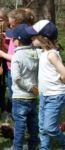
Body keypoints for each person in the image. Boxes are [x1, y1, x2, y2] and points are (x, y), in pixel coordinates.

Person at [25, 20, 65, 150]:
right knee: (42, 126)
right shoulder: (41, 52)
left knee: (50, 127)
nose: (32, 39)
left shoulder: (51, 54)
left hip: (55, 96)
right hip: (44, 95)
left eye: (35, 37)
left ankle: (63, 142)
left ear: (44, 38)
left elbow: (64, 72)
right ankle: (44, 148)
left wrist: (62, 79)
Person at [0, 8, 36, 121]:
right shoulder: (17, 35)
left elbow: (15, 56)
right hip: (10, 68)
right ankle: (13, 113)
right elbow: (13, 51)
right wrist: (4, 45)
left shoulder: (23, 38)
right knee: (14, 93)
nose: (11, 27)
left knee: (16, 94)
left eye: (12, 25)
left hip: (15, 69)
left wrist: (2, 54)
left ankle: (16, 115)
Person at [3, 24, 39, 150]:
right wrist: (34, 88)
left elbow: (16, 78)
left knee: (20, 125)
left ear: (17, 41)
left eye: (13, 38)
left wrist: (29, 87)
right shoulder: (35, 53)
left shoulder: (17, 55)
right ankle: (33, 145)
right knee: (33, 123)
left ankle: (17, 147)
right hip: (32, 97)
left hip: (20, 96)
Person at [0, 7, 12, 121]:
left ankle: (8, 110)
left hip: (9, 61)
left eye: (1, 20)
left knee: (12, 87)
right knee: (1, 87)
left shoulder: (11, 33)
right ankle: (3, 111)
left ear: (7, 20)